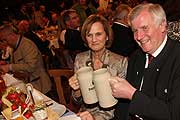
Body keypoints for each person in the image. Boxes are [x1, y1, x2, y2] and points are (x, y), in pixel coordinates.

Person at [109, 3, 180, 120]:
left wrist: (132, 94)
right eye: (134, 31)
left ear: (162, 25)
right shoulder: (136, 57)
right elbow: (123, 108)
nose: (139, 36)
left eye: (144, 28)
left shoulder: (177, 58)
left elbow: (173, 114)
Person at [68, 14, 128, 120]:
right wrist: (76, 90)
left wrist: (104, 74)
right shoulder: (80, 59)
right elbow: (77, 101)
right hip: (84, 115)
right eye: (89, 35)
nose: (94, 39)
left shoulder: (120, 62)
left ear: (107, 36)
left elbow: (119, 105)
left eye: (98, 34)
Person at [0, 24, 52, 94]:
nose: (3, 43)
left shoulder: (27, 45)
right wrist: (7, 63)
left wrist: (9, 67)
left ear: (11, 35)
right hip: (27, 84)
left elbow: (31, 67)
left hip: (39, 86)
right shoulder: (14, 46)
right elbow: (18, 63)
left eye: (4, 40)